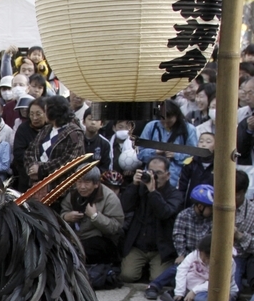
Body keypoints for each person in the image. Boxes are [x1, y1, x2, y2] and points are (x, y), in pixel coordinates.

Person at [121, 156, 185, 284]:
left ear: (168, 175)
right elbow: (125, 206)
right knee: (127, 276)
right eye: (151, 172)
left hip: (160, 249)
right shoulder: (140, 188)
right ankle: (142, 267)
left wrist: (153, 192)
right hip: (138, 246)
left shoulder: (175, 194)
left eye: (158, 173)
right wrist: (134, 185)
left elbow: (165, 213)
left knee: (157, 279)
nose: (154, 176)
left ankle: (151, 269)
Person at [59, 166, 124, 265]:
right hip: (75, 237)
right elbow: (63, 212)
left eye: (87, 182)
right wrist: (66, 217)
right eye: (79, 182)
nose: (82, 187)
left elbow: (116, 228)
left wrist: (95, 216)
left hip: (100, 240)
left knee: (81, 251)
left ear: (96, 184)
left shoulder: (109, 198)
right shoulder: (73, 194)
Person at [25, 96, 84, 187]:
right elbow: (30, 150)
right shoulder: (46, 129)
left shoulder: (74, 133)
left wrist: (41, 169)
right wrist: (31, 168)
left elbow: (68, 161)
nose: (44, 113)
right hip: (36, 184)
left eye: (45, 110)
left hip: (59, 186)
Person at [138, 100, 198, 188]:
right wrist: (155, 152)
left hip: (176, 179)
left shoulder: (189, 129)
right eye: (162, 119)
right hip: (151, 177)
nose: (165, 123)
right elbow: (140, 154)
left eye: (169, 120)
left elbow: (193, 155)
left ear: (176, 115)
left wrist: (175, 155)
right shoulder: (151, 126)